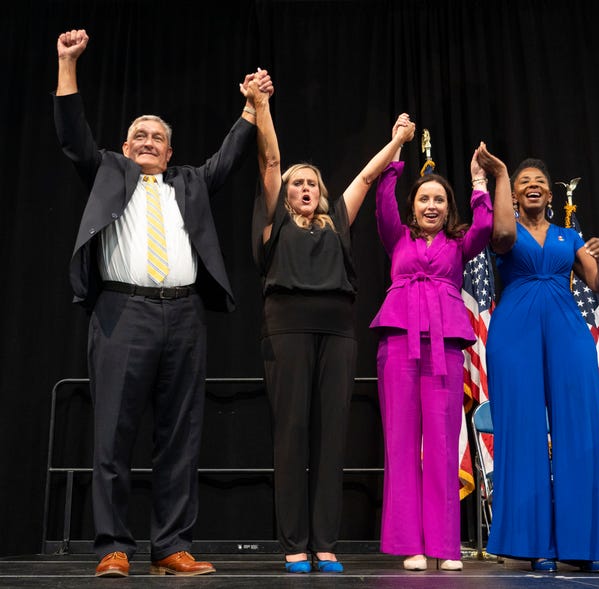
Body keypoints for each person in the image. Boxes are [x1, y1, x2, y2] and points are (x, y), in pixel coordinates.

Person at [53, 29, 273, 577]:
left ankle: (171, 544)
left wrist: (250, 107)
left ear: (170, 151)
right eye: (139, 136)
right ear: (126, 147)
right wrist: (67, 64)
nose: (148, 141)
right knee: (112, 432)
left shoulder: (190, 182)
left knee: (180, 433)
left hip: (183, 316)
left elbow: (229, 156)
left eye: (157, 137)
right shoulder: (107, 169)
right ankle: (111, 546)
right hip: (121, 313)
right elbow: (72, 135)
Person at [246, 82, 416, 572]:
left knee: (331, 435)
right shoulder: (275, 221)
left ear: (321, 193)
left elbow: (366, 176)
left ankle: (325, 542)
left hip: (338, 331)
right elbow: (272, 162)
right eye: (298, 183)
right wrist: (263, 107)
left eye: (312, 184)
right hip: (287, 328)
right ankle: (295, 543)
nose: (304, 189)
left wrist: (398, 143)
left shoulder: (337, 220)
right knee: (293, 433)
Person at [369, 120, 509, 572]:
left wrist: (477, 181)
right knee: (402, 443)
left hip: (444, 347)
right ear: (414, 204)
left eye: (439, 200)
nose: (431, 205)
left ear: (449, 208)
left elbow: (485, 225)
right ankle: (410, 543)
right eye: (424, 198)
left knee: (445, 445)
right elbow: (382, 201)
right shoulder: (398, 236)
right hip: (399, 344)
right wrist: (396, 150)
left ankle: (445, 545)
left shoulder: (458, 242)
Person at [485, 157, 599, 573]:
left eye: (540, 181)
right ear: (513, 192)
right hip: (515, 330)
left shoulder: (568, 236)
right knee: (523, 431)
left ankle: (585, 544)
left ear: (551, 193)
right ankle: (533, 543)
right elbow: (504, 235)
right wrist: (501, 176)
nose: (533, 186)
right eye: (524, 182)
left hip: (567, 328)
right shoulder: (502, 230)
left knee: (578, 429)